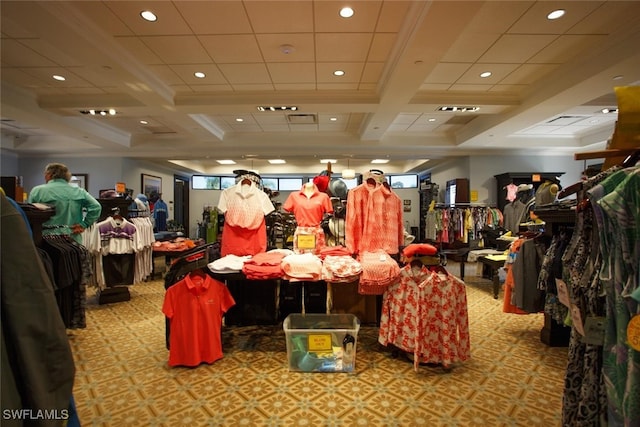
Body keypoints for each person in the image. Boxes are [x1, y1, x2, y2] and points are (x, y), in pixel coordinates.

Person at [27, 163, 102, 243]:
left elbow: (29, 215)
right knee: (73, 256)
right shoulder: (78, 191)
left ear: (49, 175)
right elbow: (96, 207)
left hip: (45, 239)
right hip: (72, 238)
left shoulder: (38, 191)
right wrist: (84, 224)